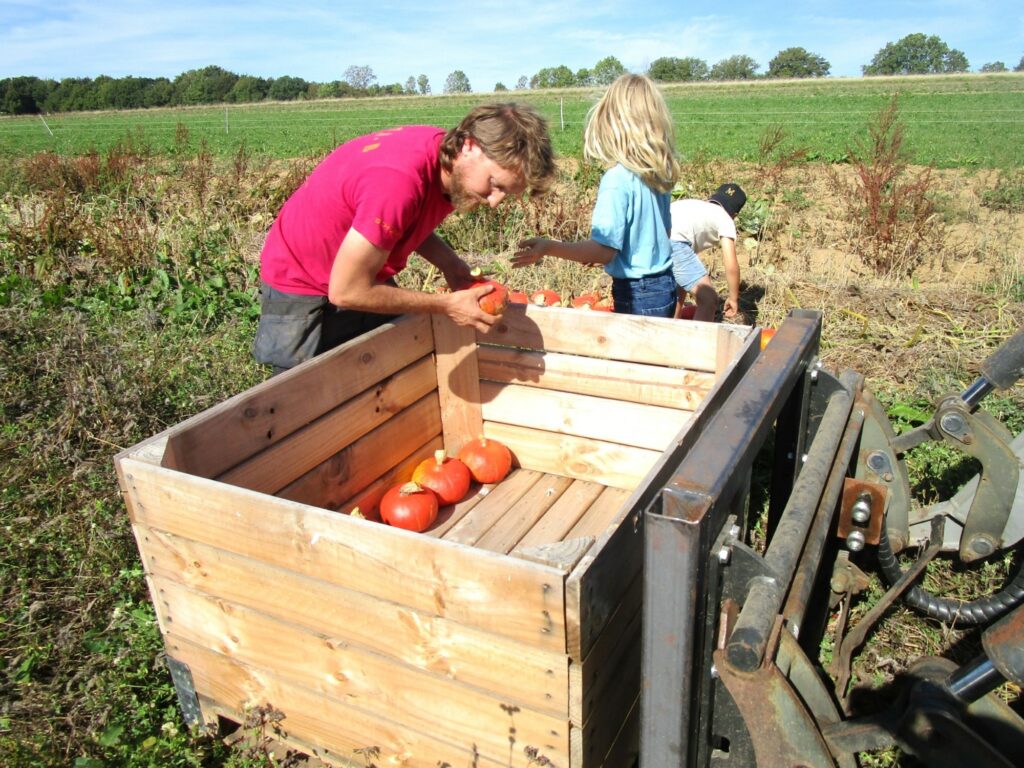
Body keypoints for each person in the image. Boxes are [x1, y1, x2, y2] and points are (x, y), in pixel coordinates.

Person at [252, 103, 555, 373]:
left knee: (383, 379)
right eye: (494, 184)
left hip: (359, 271)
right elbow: (346, 291)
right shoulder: (397, 181)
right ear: (470, 145)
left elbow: (404, 221)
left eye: (506, 193)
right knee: (311, 407)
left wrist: (451, 265)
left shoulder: (445, 163)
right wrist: (447, 305)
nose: (494, 201)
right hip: (304, 285)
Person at [510, 74, 680, 317]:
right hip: (664, 285)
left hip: (637, 292)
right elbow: (663, 234)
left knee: (630, 355)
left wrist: (548, 247)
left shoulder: (617, 179)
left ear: (612, 122)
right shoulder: (657, 173)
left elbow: (604, 251)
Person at [669, 183, 747, 322]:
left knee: (675, 292)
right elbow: (731, 265)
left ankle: (672, 327)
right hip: (675, 242)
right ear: (734, 215)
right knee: (709, 300)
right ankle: (699, 343)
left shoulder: (693, 205)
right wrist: (733, 298)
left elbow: (682, 277)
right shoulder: (726, 219)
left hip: (652, 237)